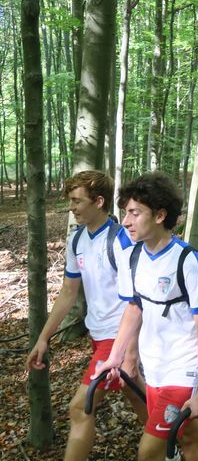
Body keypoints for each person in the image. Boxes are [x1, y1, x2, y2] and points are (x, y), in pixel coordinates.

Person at [26, 170, 148, 461]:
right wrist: (43, 338)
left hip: (118, 338)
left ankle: (168, 443)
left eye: (77, 201)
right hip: (97, 335)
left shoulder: (121, 240)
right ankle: (170, 440)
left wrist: (129, 350)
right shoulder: (77, 240)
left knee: (80, 407)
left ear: (99, 201)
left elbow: (139, 297)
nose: (72, 207)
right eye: (70, 201)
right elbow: (68, 292)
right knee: (135, 393)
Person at [93, 172, 198, 461]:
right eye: (125, 212)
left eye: (135, 213)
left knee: (148, 451)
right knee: (189, 437)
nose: (125, 221)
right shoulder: (132, 257)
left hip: (184, 368)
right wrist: (116, 357)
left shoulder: (187, 260)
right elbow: (134, 309)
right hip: (155, 365)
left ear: (160, 215)